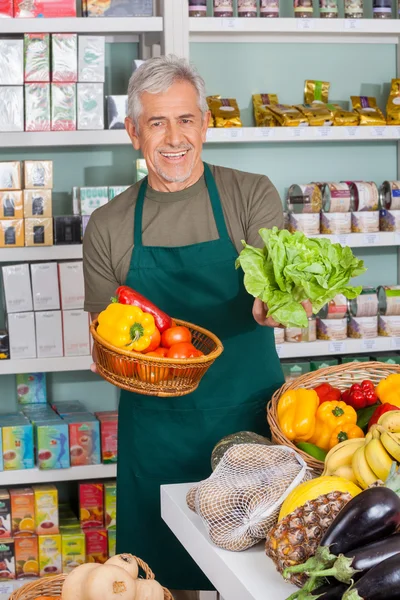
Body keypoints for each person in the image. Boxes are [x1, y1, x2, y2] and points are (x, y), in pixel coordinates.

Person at [83, 55, 311, 600]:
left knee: (259, 575)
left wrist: (275, 304)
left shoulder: (249, 194)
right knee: (161, 582)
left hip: (250, 424)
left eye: (186, 119)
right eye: (157, 122)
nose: (174, 138)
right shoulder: (109, 225)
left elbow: (274, 284)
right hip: (158, 428)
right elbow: (106, 334)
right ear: (133, 132)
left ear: (205, 124)